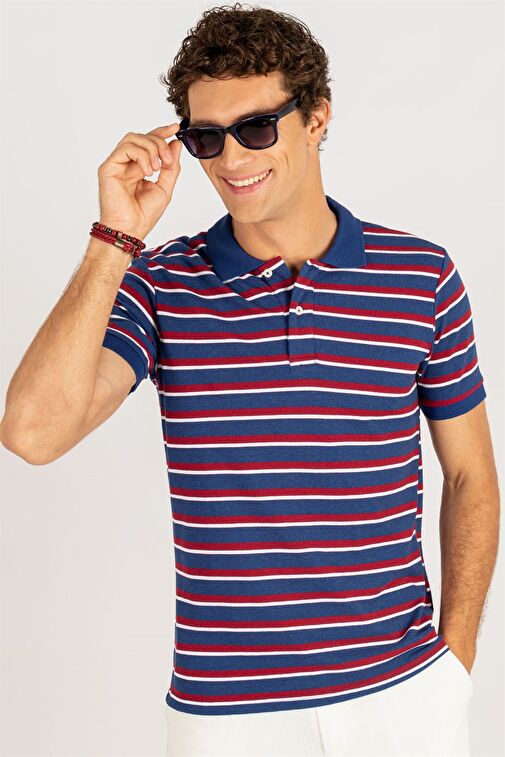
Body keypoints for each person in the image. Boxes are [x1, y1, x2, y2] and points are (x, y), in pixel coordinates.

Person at [0, 4, 499, 757]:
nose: (231, 159)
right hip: (228, 719)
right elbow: (32, 433)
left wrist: (452, 666)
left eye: (256, 128)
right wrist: (115, 239)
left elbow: (469, 476)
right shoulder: (161, 284)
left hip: (403, 700)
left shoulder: (419, 276)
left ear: (316, 118)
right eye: (206, 137)